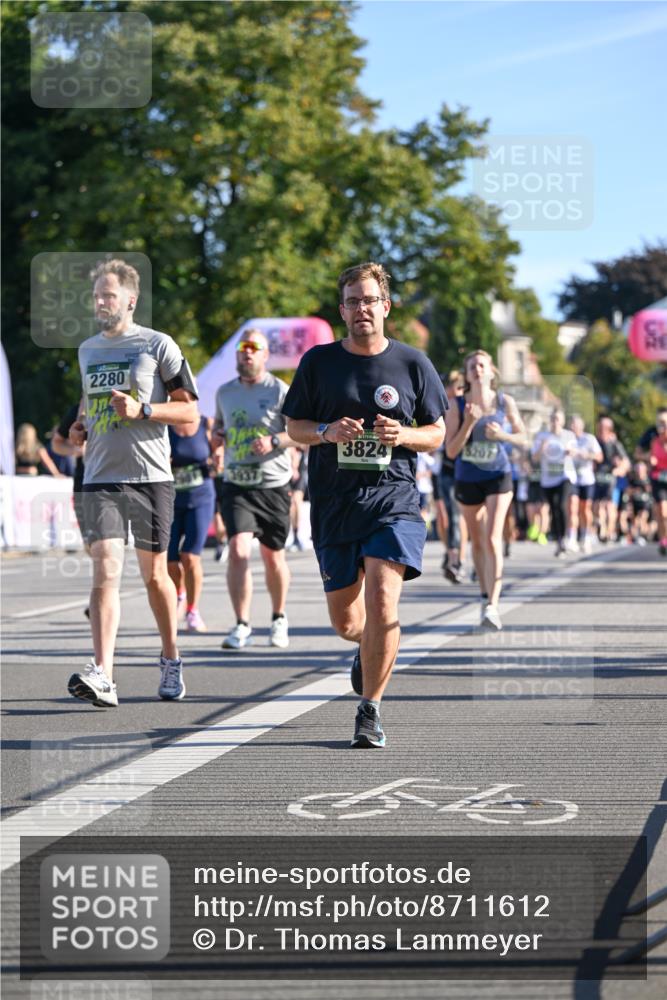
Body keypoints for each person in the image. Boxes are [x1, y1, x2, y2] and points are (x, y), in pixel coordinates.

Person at [282, 262, 447, 749]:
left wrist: (405, 435)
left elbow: (436, 433)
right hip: (334, 504)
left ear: (385, 306)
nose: (361, 309)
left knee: (382, 601)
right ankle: (370, 648)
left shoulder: (413, 363)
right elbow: (295, 428)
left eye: (369, 300)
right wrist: (326, 432)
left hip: (392, 500)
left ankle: (369, 709)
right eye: (352, 301)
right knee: (348, 623)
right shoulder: (318, 362)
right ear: (342, 310)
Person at [67, 259, 199, 708]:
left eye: (108, 295)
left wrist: (143, 410)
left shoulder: (158, 345)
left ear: (130, 299)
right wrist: (80, 427)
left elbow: (189, 413)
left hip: (150, 477)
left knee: (155, 575)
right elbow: (88, 402)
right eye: (97, 296)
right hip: (100, 476)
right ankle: (103, 672)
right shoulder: (87, 349)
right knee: (105, 568)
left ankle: (170, 656)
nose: (101, 302)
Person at [212, 329, 294, 651]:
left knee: (273, 557)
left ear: (264, 355)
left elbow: (300, 434)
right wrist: (218, 442)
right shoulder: (224, 392)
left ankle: (278, 617)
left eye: (253, 348)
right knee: (238, 549)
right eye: (242, 348)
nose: (246, 353)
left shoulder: (280, 391)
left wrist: (274, 440)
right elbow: (219, 429)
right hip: (237, 482)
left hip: (273, 484)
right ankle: (242, 623)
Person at [445, 350, 526, 631]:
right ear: (467, 374)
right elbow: (451, 451)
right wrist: (469, 422)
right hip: (468, 477)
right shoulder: (457, 404)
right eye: (472, 366)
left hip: (498, 474)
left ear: (492, 371)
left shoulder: (505, 401)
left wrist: (502, 435)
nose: (477, 370)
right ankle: (483, 594)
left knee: (492, 537)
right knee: (477, 541)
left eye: (482, 365)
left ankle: (493, 604)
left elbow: (524, 439)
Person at [167, 416, 216, 632]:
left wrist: (217, 459)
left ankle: (193, 610)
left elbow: (218, 452)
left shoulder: (206, 424)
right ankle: (180, 593)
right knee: (170, 561)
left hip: (201, 498)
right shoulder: (164, 426)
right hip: (170, 501)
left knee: (190, 557)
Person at [531, 408, 577, 557]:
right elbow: (535, 458)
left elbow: (576, 452)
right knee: (553, 508)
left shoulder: (568, 435)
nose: (555, 422)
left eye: (557, 419)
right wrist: (542, 448)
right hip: (548, 478)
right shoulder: (542, 436)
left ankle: (564, 538)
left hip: (565, 476)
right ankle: (558, 539)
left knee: (561, 505)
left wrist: (571, 452)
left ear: (562, 421)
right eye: (552, 419)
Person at [436, 371, 467, 583]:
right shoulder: (441, 407)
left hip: (461, 468)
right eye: (450, 387)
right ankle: (449, 551)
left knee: (457, 516)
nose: (453, 392)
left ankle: (458, 559)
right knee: (442, 515)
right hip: (441, 467)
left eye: (457, 388)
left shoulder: (466, 408)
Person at [568, 414, 603, 554]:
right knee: (572, 507)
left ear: (581, 427)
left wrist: (586, 455)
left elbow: (600, 457)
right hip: (571, 478)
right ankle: (572, 537)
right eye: (571, 425)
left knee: (585, 509)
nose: (572, 427)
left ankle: (586, 536)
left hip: (586, 478)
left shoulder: (589, 439)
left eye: (574, 425)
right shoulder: (567, 439)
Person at [594, 416, 630, 543]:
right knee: (598, 505)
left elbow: (626, 462)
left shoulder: (614, 443)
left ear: (609, 429)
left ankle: (609, 532)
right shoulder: (595, 442)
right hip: (597, 478)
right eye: (600, 427)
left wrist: (618, 470)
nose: (602, 430)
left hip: (610, 478)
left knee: (610, 506)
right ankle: (602, 529)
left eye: (605, 427)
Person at [649, 412, 667, 555]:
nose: (662, 427)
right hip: (658, 479)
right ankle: (663, 540)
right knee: (662, 511)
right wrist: (651, 460)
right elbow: (647, 456)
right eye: (660, 425)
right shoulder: (654, 441)